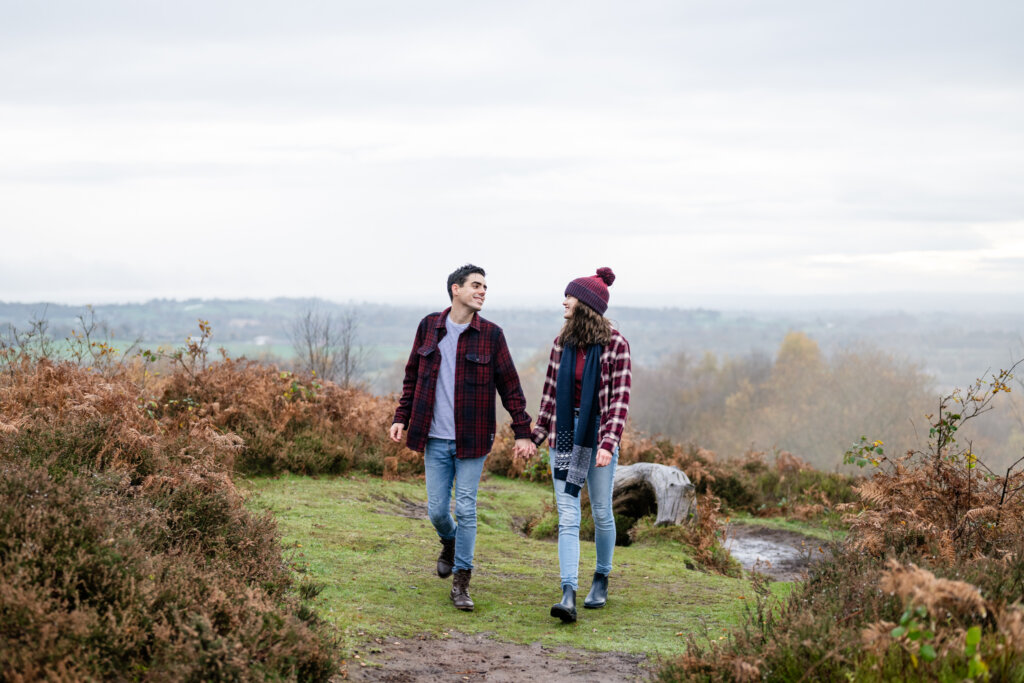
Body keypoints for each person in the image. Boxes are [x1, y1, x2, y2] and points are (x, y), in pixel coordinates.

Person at [389, 264, 536, 612]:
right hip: (434, 438)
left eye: (485, 286)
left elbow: (510, 386)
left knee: (466, 509)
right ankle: (450, 543)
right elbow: (412, 376)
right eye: (476, 285)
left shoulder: (492, 335)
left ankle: (461, 583)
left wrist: (522, 433)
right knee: (438, 510)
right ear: (456, 289)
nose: (483, 291)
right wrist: (401, 417)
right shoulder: (429, 327)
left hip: (472, 439)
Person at [520, 267, 631, 623]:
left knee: (600, 511)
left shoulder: (616, 345)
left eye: (569, 296)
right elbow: (550, 396)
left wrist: (608, 443)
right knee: (568, 515)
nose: (564, 301)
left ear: (585, 304)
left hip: (597, 431)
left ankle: (601, 577)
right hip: (565, 432)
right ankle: (568, 592)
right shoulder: (560, 343)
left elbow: (619, 402)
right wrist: (534, 438)